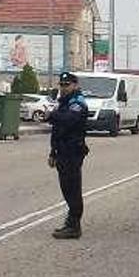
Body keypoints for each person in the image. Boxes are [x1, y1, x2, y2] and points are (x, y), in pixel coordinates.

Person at [48, 72, 89, 239]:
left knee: (73, 188)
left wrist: (51, 116)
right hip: (62, 151)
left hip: (73, 150)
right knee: (66, 188)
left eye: (67, 85)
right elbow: (57, 130)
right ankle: (70, 222)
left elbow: (69, 120)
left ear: (75, 85)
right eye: (62, 85)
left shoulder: (77, 102)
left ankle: (74, 226)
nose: (64, 88)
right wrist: (53, 151)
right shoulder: (63, 103)